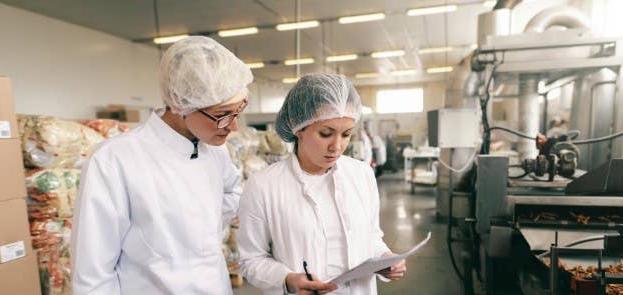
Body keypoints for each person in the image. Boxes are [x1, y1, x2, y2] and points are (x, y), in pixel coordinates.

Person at [71, 36, 253, 294]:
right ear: (180, 102)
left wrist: (200, 221)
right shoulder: (114, 161)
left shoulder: (214, 150)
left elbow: (233, 191)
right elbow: (93, 274)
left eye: (238, 111)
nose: (233, 126)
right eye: (223, 115)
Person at [237, 73, 406, 295]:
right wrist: (287, 279)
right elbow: (250, 259)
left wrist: (385, 258)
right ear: (298, 128)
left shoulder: (362, 175)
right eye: (326, 134)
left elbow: (372, 236)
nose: (337, 146)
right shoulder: (263, 185)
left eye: (346, 134)